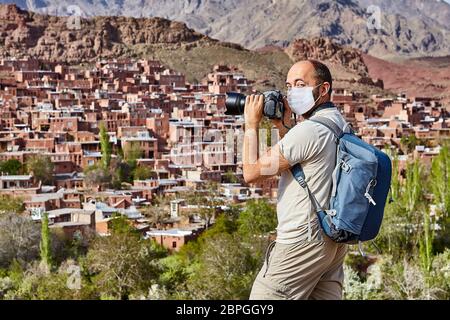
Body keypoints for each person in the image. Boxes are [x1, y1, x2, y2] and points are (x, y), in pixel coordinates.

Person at [243, 60, 348, 300]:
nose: (292, 92)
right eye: (289, 86)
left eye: (300, 85)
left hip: (301, 241)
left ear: (323, 89)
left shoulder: (309, 130)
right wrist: (282, 126)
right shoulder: (337, 122)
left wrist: (251, 125)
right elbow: (302, 161)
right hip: (331, 239)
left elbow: (251, 173)